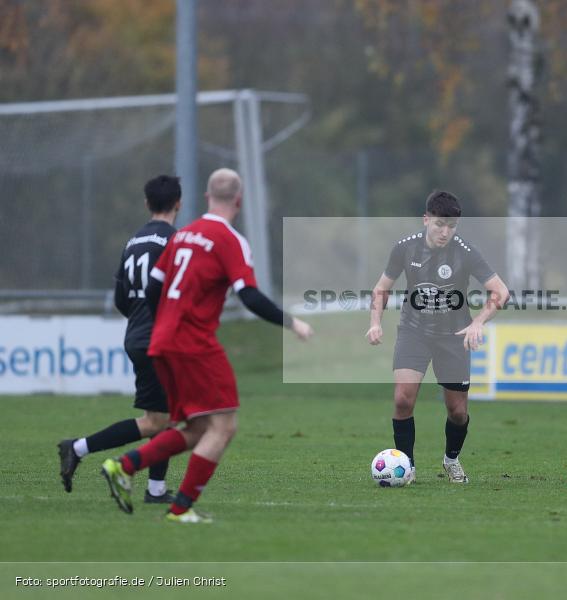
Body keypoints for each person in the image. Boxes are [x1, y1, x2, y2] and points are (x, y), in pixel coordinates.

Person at [100, 168, 313, 523]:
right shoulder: (230, 240)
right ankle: (180, 509)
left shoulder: (182, 235)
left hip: (161, 342)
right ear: (239, 201)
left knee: (197, 429)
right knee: (224, 427)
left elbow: (153, 288)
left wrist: (165, 322)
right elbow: (248, 294)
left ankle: (124, 466)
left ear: (206, 198)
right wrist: (291, 322)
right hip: (193, 344)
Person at [366, 190, 509, 484]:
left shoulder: (465, 252)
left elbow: (501, 292)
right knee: (403, 400)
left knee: (457, 412)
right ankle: (407, 466)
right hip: (413, 332)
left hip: (454, 336)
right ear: (426, 219)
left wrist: (478, 322)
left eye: (452, 226)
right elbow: (381, 288)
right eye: (440, 225)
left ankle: (451, 459)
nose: (445, 232)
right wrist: (375, 323)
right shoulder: (404, 249)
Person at [58, 175, 181, 502]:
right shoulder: (176, 241)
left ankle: (155, 489)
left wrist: (140, 322)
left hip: (137, 335)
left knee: (163, 416)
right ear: (178, 204)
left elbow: (120, 298)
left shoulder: (132, 242)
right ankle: (79, 448)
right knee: (158, 421)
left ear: (146, 204)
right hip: (159, 339)